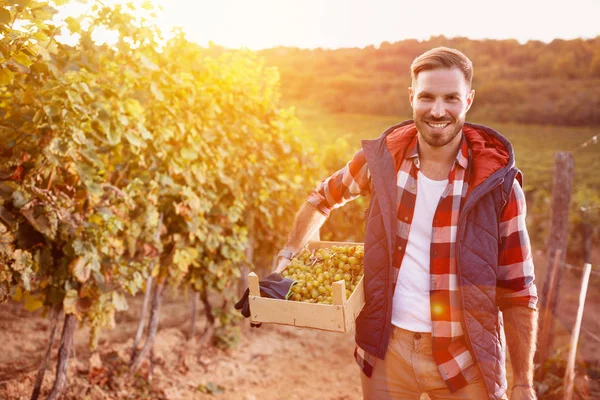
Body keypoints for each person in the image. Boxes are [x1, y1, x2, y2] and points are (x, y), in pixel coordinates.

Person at [274, 47, 538, 400]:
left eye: (451, 98)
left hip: (465, 359)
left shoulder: (499, 185)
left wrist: (523, 382)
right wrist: (290, 252)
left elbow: (519, 289)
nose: (438, 110)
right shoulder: (383, 160)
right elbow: (322, 198)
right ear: (412, 96)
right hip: (386, 353)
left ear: (469, 100)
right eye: (427, 97)